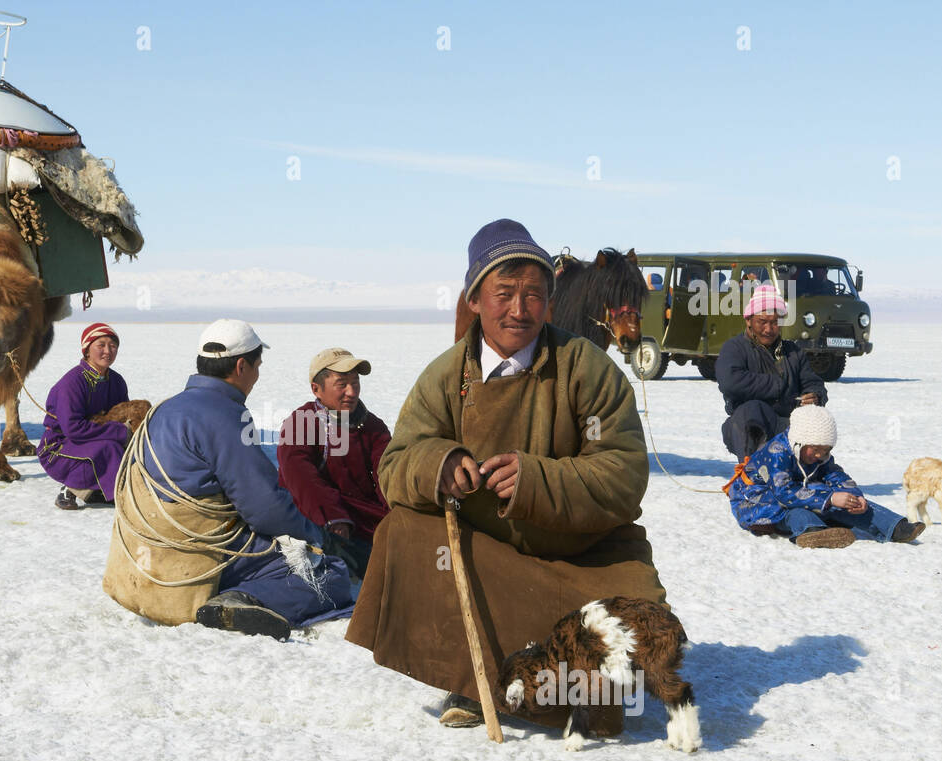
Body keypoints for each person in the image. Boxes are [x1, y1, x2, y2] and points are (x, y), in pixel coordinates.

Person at [345, 219, 668, 734]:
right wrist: (439, 464)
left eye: (534, 294)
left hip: (585, 556)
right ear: (475, 299)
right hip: (489, 558)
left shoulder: (586, 367)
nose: (520, 309)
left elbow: (624, 474)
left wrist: (537, 482)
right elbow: (395, 463)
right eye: (504, 293)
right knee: (403, 531)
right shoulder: (446, 376)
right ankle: (472, 677)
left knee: (639, 639)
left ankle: (554, 683)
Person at [103, 319, 353, 640]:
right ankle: (240, 601)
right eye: (257, 366)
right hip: (195, 557)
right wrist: (314, 536)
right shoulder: (225, 414)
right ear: (240, 366)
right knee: (329, 573)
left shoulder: (164, 409)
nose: (257, 376)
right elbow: (265, 508)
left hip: (144, 556)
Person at [724, 404, 925, 547]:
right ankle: (812, 530)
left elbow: (834, 474)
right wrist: (829, 498)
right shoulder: (777, 452)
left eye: (826, 450)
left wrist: (853, 494)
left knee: (839, 499)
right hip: (760, 500)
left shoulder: (819, 454)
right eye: (816, 450)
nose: (820, 455)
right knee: (795, 510)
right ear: (799, 443)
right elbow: (783, 493)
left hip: (799, 491)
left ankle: (895, 527)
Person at [276, 347, 391, 578]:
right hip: (321, 522)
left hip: (368, 523)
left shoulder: (373, 426)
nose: (351, 392)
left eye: (355, 383)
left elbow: (388, 472)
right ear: (316, 389)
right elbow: (300, 478)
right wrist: (334, 518)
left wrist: (398, 513)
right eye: (342, 384)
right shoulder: (302, 422)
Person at [716, 284, 827, 462]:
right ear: (749, 321)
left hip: (789, 425)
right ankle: (751, 471)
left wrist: (816, 396)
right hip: (748, 427)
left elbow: (812, 382)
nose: (769, 329)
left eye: (775, 322)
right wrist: (777, 385)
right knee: (751, 410)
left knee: (820, 424)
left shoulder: (793, 351)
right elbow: (729, 382)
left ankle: (818, 475)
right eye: (762, 322)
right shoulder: (734, 348)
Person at [37, 322, 132, 509]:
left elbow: (122, 415)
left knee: (131, 450)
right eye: (101, 345)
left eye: (113, 346)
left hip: (93, 439)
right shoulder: (72, 382)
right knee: (108, 449)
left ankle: (103, 490)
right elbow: (73, 428)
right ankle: (71, 490)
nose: (108, 351)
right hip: (58, 446)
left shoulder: (117, 381)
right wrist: (121, 432)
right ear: (87, 350)